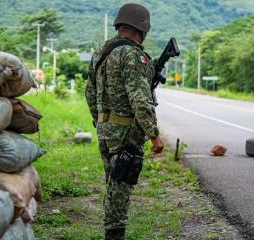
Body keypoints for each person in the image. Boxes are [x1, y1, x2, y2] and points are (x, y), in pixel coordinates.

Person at [85, 3, 164, 240]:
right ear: (142, 29)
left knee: (113, 183)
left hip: (105, 129)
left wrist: (98, 119)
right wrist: (154, 134)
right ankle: (114, 235)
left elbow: (89, 92)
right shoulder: (132, 55)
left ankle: (112, 231)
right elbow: (140, 99)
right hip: (126, 132)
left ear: (120, 25)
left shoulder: (101, 51)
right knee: (120, 187)